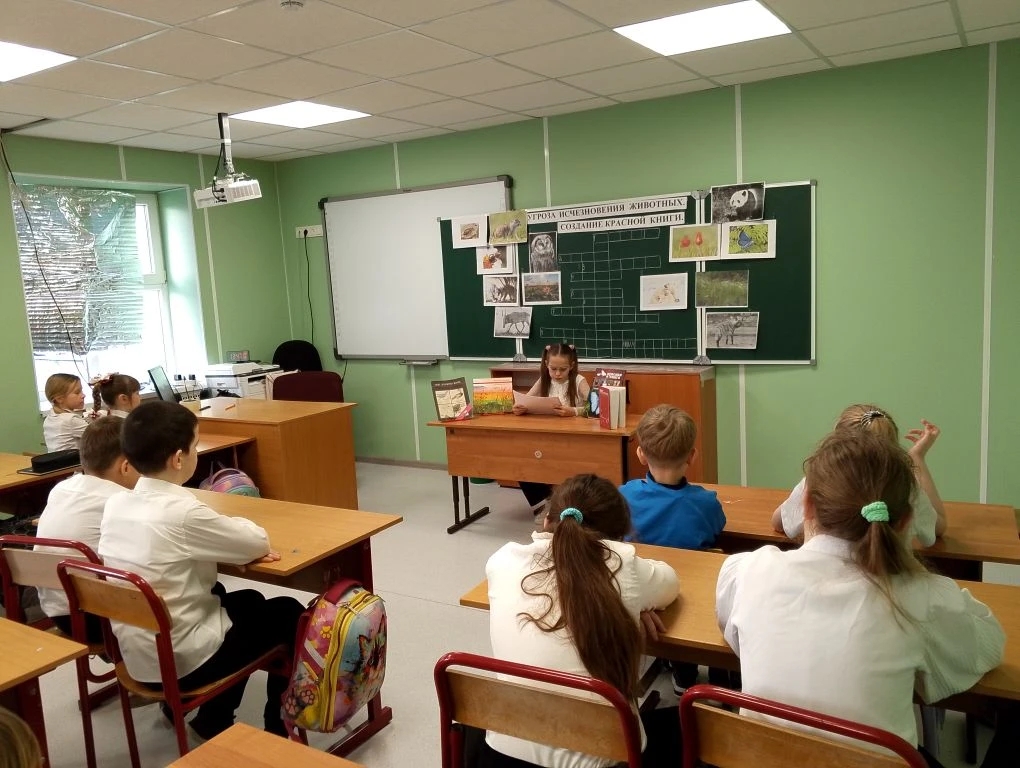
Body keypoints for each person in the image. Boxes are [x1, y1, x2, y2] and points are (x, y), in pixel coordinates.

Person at [717, 430, 1004, 764]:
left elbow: (731, 628)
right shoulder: (923, 598)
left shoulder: (748, 570)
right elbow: (989, 645)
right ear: (906, 521)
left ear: (807, 505)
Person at [99, 401, 304, 739]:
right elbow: (256, 542)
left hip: (138, 657)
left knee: (249, 599)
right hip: (183, 662)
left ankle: (213, 719)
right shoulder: (182, 512)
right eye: (195, 446)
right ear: (179, 459)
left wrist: (218, 546)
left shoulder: (116, 504)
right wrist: (234, 545)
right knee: (289, 613)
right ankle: (278, 729)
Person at [483, 473, 680, 768]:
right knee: (687, 723)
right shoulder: (623, 564)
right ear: (618, 537)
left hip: (502, 756)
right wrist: (635, 602)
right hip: (602, 759)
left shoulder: (502, 560)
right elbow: (670, 583)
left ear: (547, 521)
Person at [619, 404, 726, 694]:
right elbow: (716, 529)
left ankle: (681, 675)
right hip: (696, 598)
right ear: (692, 455)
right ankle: (708, 675)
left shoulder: (624, 496)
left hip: (642, 594)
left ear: (640, 453)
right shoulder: (706, 503)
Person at [772, 404, 947, 546]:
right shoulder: (906, 490)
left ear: (837, 445)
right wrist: (917, 458)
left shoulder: (818, 483)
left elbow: (779, 522)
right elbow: (938, 527)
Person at [34, 416, 138, 642]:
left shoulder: (61, 489)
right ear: (126, 467)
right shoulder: (120, 501)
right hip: (101, 618)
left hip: (59, 613)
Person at [513, 343, 591, 508]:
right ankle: (543, 504)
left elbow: (596, 407)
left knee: (566, 466)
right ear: (546, 365)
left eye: (563, 369)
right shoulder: (544, 380)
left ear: (572, 366)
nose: (557, 374)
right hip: (547, 435)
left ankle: (565, 502)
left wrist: (574, 411)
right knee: (521, 459)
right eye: (553, 369)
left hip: (573, 438)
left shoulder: (579, 381)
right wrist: (520, 407)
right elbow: (526, 400)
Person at [42, 373, 89, 451]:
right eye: (77, 392)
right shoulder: (71, 419)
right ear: (59, 399)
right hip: (72, 459)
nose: (83, 395)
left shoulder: (49, 418)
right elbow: (99, 437)